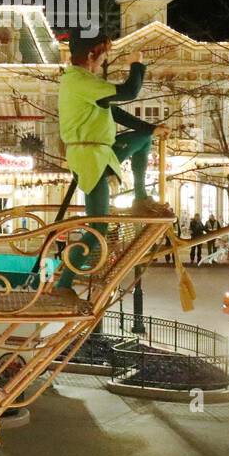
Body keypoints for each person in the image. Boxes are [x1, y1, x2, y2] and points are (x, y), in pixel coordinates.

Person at [56, 34, 171, 289]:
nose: (104, 60)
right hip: (91, 158)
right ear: (90, 55)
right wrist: (137, 64)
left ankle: (140, 196)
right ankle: (63, 285)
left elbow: (114, 110)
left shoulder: (83, 82)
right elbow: (129, 91)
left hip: (99, 153)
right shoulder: (80, 80)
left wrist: (151, 128)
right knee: (99, 227)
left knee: (143, 138)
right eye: (103, 55)